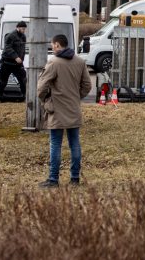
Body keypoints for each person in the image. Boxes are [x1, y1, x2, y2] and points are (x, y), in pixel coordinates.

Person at [37, 33, 92, 188]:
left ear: (57, 45)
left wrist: (45, 100)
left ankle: (53, 179)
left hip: (57, 110)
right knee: (74, 143)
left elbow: (41, 87)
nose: (52, 47)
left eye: (52, 45)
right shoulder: (80, 62)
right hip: (73, 109)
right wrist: (76, 97)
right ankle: (75, 178)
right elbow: (87, 85)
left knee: (55, 144)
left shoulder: (53, 62)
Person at [0, 21, 27, 101]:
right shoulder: (11, 36)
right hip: (7, 63)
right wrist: (16, 57)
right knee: (3, 82)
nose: (24, 30)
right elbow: (8, 48)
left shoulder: (23, 37)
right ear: (18, 28)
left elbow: (22, 49)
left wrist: (21, 59)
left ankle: (24, 96)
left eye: (24, 29)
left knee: (23, 80)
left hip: (17, 65)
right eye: (22, 28)